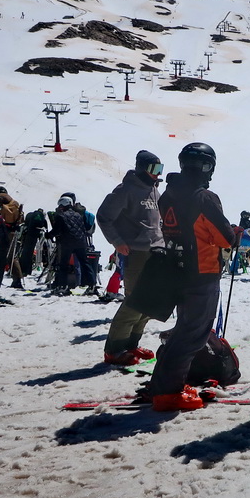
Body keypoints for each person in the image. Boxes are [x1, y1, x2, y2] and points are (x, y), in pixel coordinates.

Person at [147, 142, 236, 412]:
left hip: (177, 270)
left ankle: (163, 384)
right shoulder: (203, 197)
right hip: (202, 272)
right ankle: (168, 392)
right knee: (193, 335)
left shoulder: (168, 194)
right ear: (207, 167)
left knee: (183, 330)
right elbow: (225, 238)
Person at [96, 150, 164, 366]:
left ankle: (131, 344)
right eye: (154, 169)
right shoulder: (126, 190)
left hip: (156, 251)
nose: (157, 174)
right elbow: (104, 216)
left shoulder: (155, 191)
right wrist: (117, 241)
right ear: (142, 168)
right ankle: (114, 350)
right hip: (136, 252)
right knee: (135, 300)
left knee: (150, 300)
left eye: (160, 169)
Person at [47, 196, 91, 296]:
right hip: (81, 242)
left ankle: (63, 286)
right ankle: (92, 285)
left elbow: (57, 230)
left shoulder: (61, 216)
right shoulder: (78, 215)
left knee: (63, 265)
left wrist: (49, 235)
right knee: (85, 263)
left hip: (67, 243)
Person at [0, 186, 25, 289]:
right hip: (12, 232)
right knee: (12, 256)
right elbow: (21, 219)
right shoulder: (15, 203)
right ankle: (17, 280)